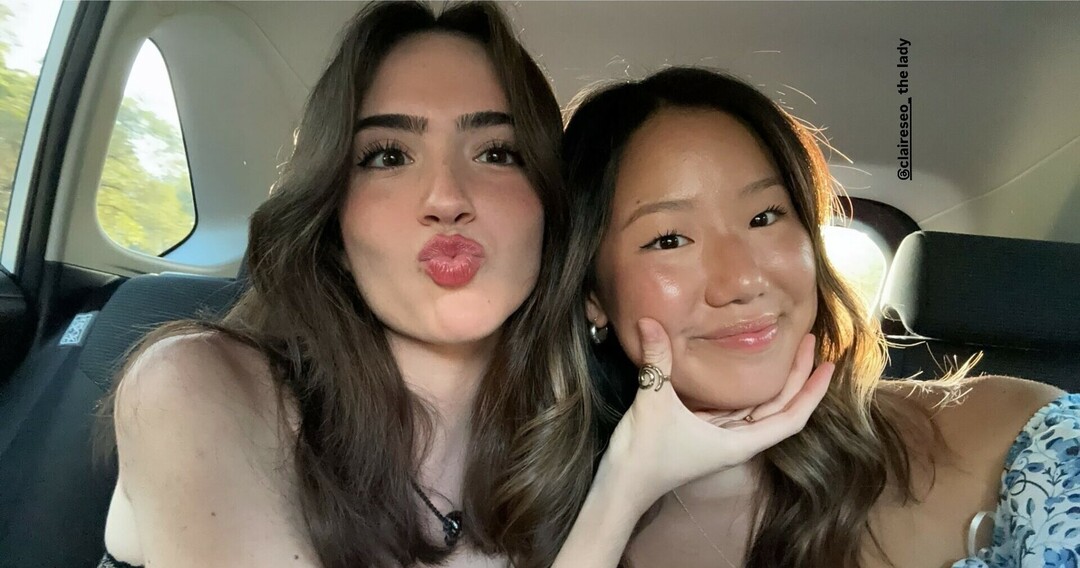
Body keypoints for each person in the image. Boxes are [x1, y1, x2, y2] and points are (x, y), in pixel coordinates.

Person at [97, 3, 599, 567]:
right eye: (389, 156)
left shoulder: (583, 451)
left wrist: (628, 481)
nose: (447, 199)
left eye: (497, 153)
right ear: (333, 218)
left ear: (549, 207)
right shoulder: (196, 386)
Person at [558, 67, 1078, 567]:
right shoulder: (535, 525)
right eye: (670, 240)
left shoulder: (1014, 438)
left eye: (764, 217)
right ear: (592, 294)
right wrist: (618, 494)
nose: (743, 280)